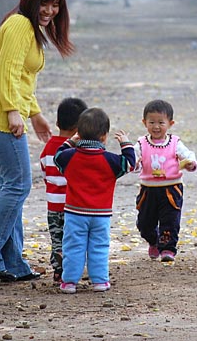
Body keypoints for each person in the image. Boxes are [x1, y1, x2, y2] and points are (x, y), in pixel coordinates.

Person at [0, 0, 74, 282]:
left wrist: (35, 114)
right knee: (18, 186)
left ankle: (12, 263)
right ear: (30, 0)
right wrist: (14, 112)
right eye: (44, 3)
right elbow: (7, 73)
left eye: (55, 5)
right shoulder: (19, 25)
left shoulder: (29, 27)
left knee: (11, 188)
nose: (49, 11)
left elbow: (23, 79)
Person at [54, 108, 135, 293]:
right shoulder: (111, 161)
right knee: (99, 246)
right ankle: (99, 281)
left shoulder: (69, 157)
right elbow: (130, 163)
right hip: (101, 214)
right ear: (104, 137)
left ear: (79, 134)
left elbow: (57, 157)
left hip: (74, 213)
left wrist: (69, 142)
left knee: (73, 246)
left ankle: (69, 282)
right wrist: (126, 144)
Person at [133, 99, 197, 262]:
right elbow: (133, 161)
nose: (156, 127)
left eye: (161, 122)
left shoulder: (175, 142)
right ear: (144, 122)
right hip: (148, 189)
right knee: (144, 223)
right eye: (152, 122)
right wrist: (134, 164)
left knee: (170, 220)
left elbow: (188, 155)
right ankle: (154, 240)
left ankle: (168, 249)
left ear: (170, 123)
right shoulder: (141, 143)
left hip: (171, 188)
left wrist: (190, 163)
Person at [39, 97, 88, 282]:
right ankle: (71, 269)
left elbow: (45, 171)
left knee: (57, 238)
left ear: (58, 122)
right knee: (73, 239)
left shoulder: (49, 147)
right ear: (81, 127)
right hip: (73, 206)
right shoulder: (77, 150)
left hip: (53, 206)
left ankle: (58, 270)